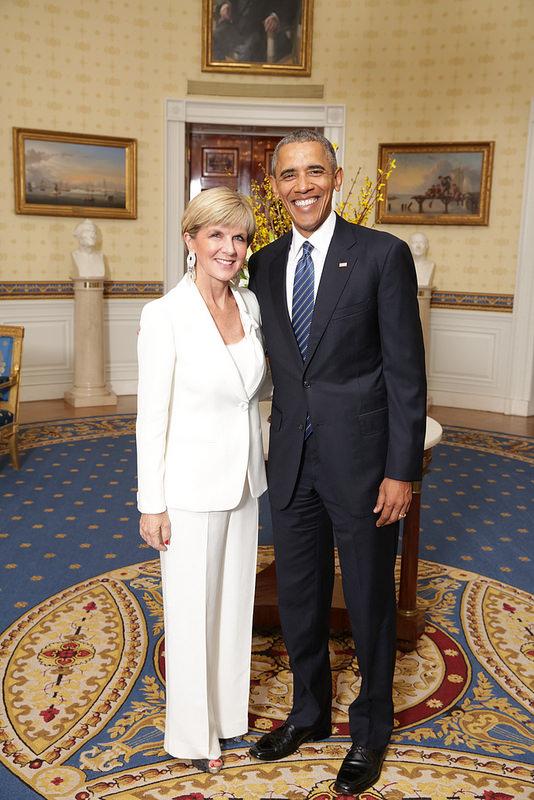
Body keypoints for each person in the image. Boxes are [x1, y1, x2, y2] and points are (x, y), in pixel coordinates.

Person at [247, 130, 427, 796]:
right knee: (298, 598)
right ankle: (309, 712)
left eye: (315, 171)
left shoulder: (382, 255)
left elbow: (406, 374)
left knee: (372, 600)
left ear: (338, 176)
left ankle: (372, 729)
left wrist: (401, 470)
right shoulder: (263, 264)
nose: (303, 186)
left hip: (365, 465)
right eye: (289, 175)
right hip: (291, 461)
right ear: (274, 186)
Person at [136, 187, 267, 774]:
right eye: (216, 234)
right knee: (191, 612)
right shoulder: (164, 315)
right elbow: (151, 417)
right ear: (190, 240)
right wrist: (151, 503)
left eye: (238, 236)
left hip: (243, 480)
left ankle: (226, 717)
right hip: (187, 488)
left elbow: (254, 393)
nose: (229, 248)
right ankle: (192, 737)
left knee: (234, 605)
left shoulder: (251, 304)